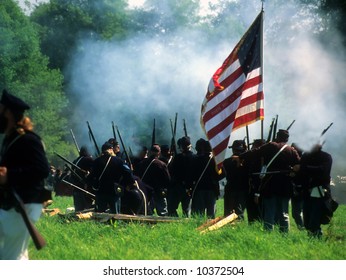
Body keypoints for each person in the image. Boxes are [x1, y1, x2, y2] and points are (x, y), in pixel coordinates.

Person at [0, 89, 51, 260]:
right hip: (12, 202)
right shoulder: (10, 139)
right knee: (15, 256)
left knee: (10, 258)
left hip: (24, 203)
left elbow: (42, 169)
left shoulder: (28, 140)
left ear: (9, 113)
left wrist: (10, 176)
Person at [239, 129, 300, 232]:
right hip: (285, 186)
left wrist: (241, 157)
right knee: (284, 213)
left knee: (269, 212)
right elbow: (298, 166)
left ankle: (268, 232)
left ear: (277, 136)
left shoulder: (271, 146)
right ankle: (284, 235)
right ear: (287, 138)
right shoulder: (291, 150)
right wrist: (291, 171)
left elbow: (255, 152)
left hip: (270, 184)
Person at [292, 144, 333, 238]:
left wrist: (302, 168)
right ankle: (312, 238)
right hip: (306, 192)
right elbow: (301, 175)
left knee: (315, 219)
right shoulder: (305, 156)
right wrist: (295, 175)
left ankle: (316, 239)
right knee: (307, 218)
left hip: (319, 191)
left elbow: (323, 171)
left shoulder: (326, 157)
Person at [88, 142, 135, 214]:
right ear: (111, 149)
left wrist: (91, 185)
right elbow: (128, 173)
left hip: (101, 190)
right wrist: (127, 184)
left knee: (99, 213)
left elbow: (91, 176)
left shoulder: (97, 161)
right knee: (115, 214)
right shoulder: (119, 161)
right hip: (114, 190)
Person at [189, 138, 222, 219]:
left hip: (199, 188)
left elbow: (191, 175)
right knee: (211, 213)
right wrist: (214, 179)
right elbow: (223, 174)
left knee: (199, 213)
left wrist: (189, 186)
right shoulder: (215, 160)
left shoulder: (196, 159)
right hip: (212, 188)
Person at [135, 144, 171, 216]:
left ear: (150, 152)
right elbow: (168, 179)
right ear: (159, 152)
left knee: (147, 210)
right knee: (162, 211)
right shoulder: (162, 164)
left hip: (146, 190)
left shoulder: (142, 163)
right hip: (159, 190)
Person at [167, 136, 195, 217]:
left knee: (171, 207)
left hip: (178, 186)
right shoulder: (195, 157)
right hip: (190, 186)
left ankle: (174, 221)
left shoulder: (178, 157)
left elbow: (171, 171)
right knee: (186, 209)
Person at [222, 140, 248, 219]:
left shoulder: (226, 162)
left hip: (230, 188)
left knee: (228, 213)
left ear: (233, 149)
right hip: (243, 189)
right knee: (239, 213)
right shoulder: (248, 162)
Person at [69, 146, 94, 212]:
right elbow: (93, 172)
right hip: (84, 187)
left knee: (78, 208)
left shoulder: (75, 160)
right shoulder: (88, 159)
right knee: (86, 208)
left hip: (76, 187)